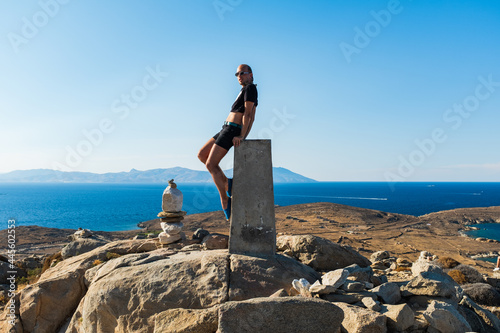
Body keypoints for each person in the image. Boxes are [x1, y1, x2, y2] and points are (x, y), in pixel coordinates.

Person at [198, 64, 258, 220]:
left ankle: (225, 199)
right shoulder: (243, 90)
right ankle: (228, 184)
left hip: (232, 130)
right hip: (225, 128)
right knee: (202, 155)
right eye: (237, 73)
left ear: (250, 75)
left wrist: (242, 136)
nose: (239, 76)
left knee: (210, 164)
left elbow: (249, 115)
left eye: (242, 73)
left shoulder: (250, 89)